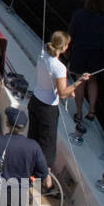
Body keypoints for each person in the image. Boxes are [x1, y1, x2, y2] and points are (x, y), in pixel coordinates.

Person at [27, 32, 90, 171]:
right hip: (47, 109)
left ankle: (28, 166)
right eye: (67, 44)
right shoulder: (59, 67)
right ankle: (43, 174)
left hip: (35, 101)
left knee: (33, 136)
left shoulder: (42, 56)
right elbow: (62, 93)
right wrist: (79, 81)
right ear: (64, 47)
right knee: (48, 145)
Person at [0, 106, 51, 206]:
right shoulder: (34, 147)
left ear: (7, 124)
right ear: (24, 128)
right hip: (18, 198)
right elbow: (45, 176)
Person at [68, 0, 104, 131]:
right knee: (93, 81)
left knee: (80, 81)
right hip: (97, 55)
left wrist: (67, 50)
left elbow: (71, 33)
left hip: (80, 52)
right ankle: (92, 111)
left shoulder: (79, 15)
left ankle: (79, 112)